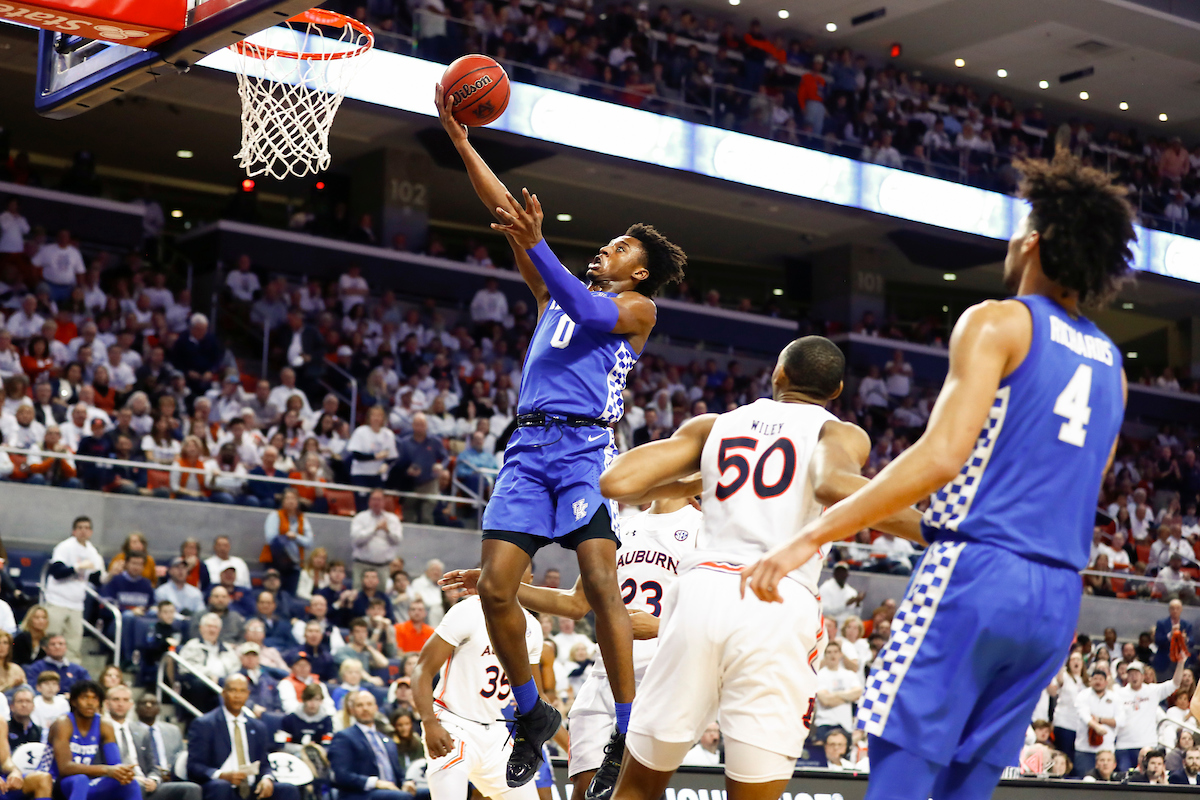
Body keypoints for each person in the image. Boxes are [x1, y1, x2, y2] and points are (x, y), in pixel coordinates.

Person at [738, 153, 1134, 800]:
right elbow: (1091, 478)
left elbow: (941, 456)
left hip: (978, 572)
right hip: (1060, 596)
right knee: (967, 786)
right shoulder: (1114, 364)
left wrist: (810, 537)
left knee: (903, 769)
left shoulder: (998, 320)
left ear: (1033, 241)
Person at [435, 84, 688, 799]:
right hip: (526, 450)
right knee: (492, 589)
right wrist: (459, 139)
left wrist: (538, 243)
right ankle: (530, 714)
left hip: (584, 451)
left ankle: (625, 731)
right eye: (607, 244)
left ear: (637, 271)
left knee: (601, 587)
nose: (605, 250)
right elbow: (507, 217)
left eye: (620, 247)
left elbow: (580, 300)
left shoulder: (637, 308)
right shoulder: (550, 294)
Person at [596, 336, 921, 800]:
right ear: (838, 390)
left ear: (778, 375)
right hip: (778, 597)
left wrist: (700, 477)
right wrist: (936, 530)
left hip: (701, 593)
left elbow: (618, 482)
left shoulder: (717, 424)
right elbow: (834, 485)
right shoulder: (839, 432)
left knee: (638, 787)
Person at [441, 494, 702, 800]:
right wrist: (500, 584)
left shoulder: (703, 528)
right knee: (582, 790)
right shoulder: (621, 526)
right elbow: (576, 602)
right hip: (607, 674)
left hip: (662, 675)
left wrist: (660, 626)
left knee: (631, 792)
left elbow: (723, 613)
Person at [411, 583, 542, 800]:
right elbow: (421, 670)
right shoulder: (469, 610)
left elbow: (537, 698)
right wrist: (429, 722)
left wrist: (568, 747)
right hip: (453, 725)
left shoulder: (533, 627)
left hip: (497, 731)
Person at [186, 675, 301, 800]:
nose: (237, 696)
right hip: (222, 786)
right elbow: (194, 766)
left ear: (248, 694)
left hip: (252, 788)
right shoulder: (205, 724)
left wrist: (267, 778)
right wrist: (221, 775)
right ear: (224, 693)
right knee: (221, 787)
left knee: (288, 789)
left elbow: (264, 764)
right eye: (233, 690)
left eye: (242, 691)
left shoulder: (258, 727)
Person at [106, 683, 202, 800]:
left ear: (131, 704)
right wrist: (133, 779)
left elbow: (153, 766)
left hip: (145, 784)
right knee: (136, 786)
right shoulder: (101, 728)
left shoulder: (141, 731)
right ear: (107, 704)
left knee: (192, 789)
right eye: (116, 699)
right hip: (118, 784)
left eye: (125, 700)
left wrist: (154, 780)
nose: (120, 704)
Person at [46, 681, 137, 800]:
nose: (90, 703)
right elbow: (64, 768)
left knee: (131, 783)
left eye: (94, 698)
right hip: (56, 782)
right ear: (74, 701)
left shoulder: (104, 724)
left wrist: (123, 772)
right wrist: (107, 770)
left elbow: (114, 763)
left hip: (88, 782)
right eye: (85, 698)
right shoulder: (63, 723)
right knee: (80, 780)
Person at [327, 691, 412, 800]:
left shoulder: (387, 740)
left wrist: (407, 783)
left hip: (393, 790)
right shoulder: (344, 737)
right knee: (403, 798)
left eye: (369, 704)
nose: (365, 708)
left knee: (427, 793)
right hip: (362, 794)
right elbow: (341, 775)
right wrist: (376, 783)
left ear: (376, 708)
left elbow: (399, 773)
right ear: (352, 710)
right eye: (360, 705)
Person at [44, 515, 103, 662]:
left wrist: (111, 575)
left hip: (77, 604)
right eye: (80, 528)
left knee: (73, 644)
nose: (83, 531)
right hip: (57, 601)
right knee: (51, 640)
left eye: (87, 528)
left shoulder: (92, 552)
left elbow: (97, 579)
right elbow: (56, 572)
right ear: (74, 531)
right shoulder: (65, 547)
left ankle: (70, 675)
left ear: (91, 532)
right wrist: (77, 567)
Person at [1115, 659, 1186, 773]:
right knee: (1125, 778)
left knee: (1147, 778)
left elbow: (1175, 683)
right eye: (1131, 674)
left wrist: (1181, 663)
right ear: (1127, 676)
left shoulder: (1152, 690)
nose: (1134, 677)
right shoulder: (1118, 693)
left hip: (1147, 744)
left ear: (1143, 676)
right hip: (1123, 745)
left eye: (1137, 674)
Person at [264, 489, 314, 595]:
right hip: (275, 562)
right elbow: (270, 538)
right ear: (283, 501)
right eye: (288, 498)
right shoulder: (275, 515)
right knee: (273, 594)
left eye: (293, 498)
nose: (291, 501)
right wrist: (286, 537)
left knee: (290, 595)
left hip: (294, 565)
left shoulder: (303, 519)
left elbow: (309, 542)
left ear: (298, 502)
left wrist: (296, 537)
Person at [347, 407, 397, 512]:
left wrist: (386, 464)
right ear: (369, 417)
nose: (376, 418)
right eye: (374, 415)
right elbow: (356, 455)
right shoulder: (361, 432)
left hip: (378, 475)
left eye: (379, 416)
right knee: (362, 503)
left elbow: (392, 456)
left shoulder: (388, 434)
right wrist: (376, 457)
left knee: (377, 502)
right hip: (361, 473)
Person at [351, 489, 404, 584]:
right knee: (358, 595)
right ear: (369, 501)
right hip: (362, 564)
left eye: (379, 499)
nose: (376, 502)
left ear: (384, 502)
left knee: (381, 596)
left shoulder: (392, 519)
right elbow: (356, 539)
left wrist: (387, 530)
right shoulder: (360, 517)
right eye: (374, 499)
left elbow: (398, 540)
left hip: (383, 566)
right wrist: (374, 529)